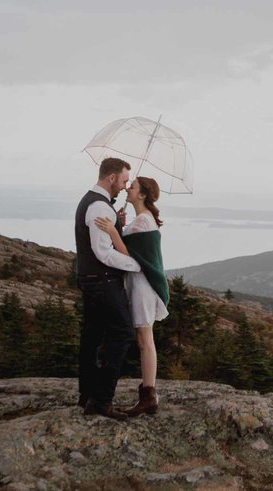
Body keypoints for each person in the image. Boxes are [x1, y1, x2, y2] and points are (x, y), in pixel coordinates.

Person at [95, 176, 169, 416]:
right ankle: (148, 395)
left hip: (143, 286)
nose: (128, 188)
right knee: (143, 338)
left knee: (145, 339)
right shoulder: (142, 220)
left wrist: (112, 230)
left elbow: (130, 255)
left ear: (142, 195)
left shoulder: (143, 222)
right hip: (141, 285)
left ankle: (149, 396)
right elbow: (132, 244)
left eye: (132, 186)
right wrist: (121, 226)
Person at [75, 157, 141, 421]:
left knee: (92, 336)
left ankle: (87, 395)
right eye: (124, 180)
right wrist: (135, 264)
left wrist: (118, 226)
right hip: (103, 279)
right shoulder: (100, 208)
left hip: (90, 278)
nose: (125, 187)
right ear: (112, 178)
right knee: (123, 332)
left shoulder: (92, 202)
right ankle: (101, 400)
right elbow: (103, 252)